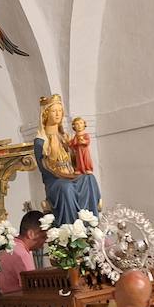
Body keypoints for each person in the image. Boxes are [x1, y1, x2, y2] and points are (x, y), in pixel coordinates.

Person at [34, 94, 102, 226]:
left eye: (60, 110)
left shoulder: (65, 136)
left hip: (71, 175)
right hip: (55, 182)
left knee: (89, 178)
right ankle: (72, 227)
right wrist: (53, 154)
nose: (58, 114)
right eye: (54, 111)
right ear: (46, 114)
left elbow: (75, 162)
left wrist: (79, 150)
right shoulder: (41, 140)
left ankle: (91, 224)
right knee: (66, 188)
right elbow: (46, 170)